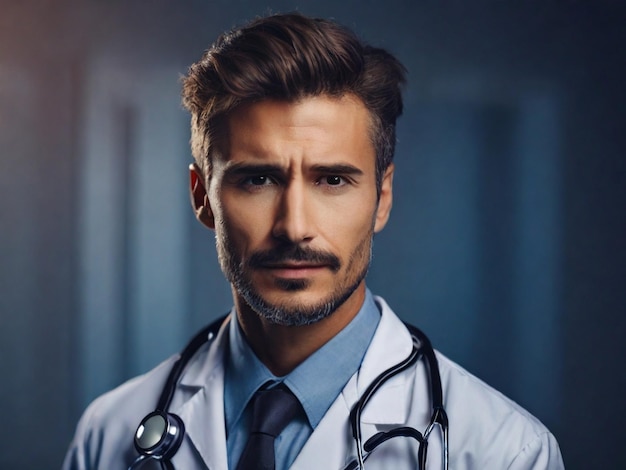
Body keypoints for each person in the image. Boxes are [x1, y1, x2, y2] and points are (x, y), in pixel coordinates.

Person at [63, 12, 564, 470]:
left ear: (382, 197)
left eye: (332, 180)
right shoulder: (110, 435)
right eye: (258, 180)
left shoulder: (504, 452)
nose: (294, 226)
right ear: (203, 198)